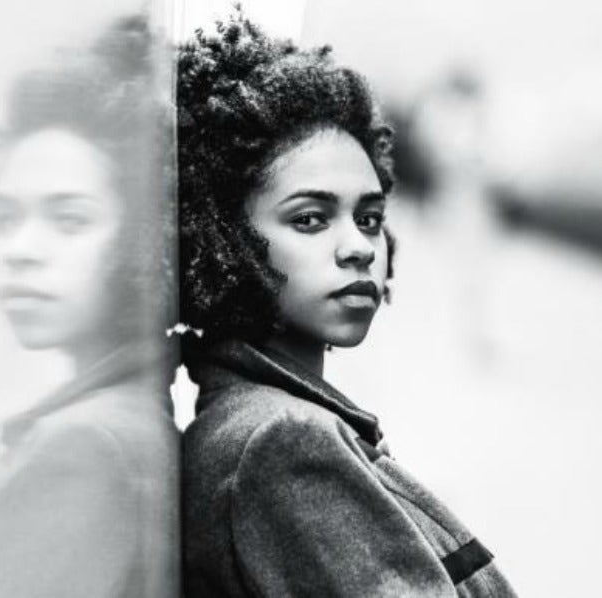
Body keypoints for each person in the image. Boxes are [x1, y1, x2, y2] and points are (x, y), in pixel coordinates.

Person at [176, 14, 516, 597]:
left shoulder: (251, 414)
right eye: (310, 219)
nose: (360, 247)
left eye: (370, 218)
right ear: (221, 234)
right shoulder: (282, 443)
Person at [0, 15, 180, 598]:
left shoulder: (88, 448)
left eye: (68, 219)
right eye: (5, 217)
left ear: (144, 239)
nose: (19, 250)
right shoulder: (123, 421)